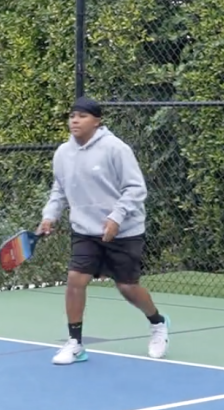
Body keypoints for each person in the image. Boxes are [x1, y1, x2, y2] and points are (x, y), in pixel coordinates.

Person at [38, 96, 170, 365]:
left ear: (97, 121)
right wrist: (49, 216)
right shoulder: (63, 153)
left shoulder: (116, 149)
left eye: (82, 116)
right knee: (76, 279)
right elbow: (59, 190)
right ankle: (75, 343)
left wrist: (116, 218)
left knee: (127, 288)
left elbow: (135, 189)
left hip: (124, 231)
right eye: (72, 115)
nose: (75, 120)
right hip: (85, 230)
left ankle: (157, 322)